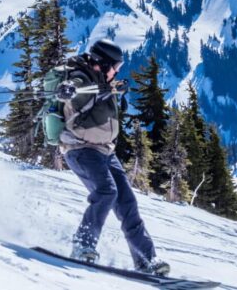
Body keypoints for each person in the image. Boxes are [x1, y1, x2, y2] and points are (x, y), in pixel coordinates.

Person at [55, 39, 170, 276]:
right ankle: (82, 245)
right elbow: (74, 87)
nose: (117, 71)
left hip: (106, 151)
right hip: (82, 150)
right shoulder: (81, 77)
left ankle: (146, 260)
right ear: (103, 63)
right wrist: (67, 89)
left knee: (127, 203)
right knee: (106, 192)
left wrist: (117, 88)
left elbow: (105, 90)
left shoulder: (103, 81)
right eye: (115, 66)